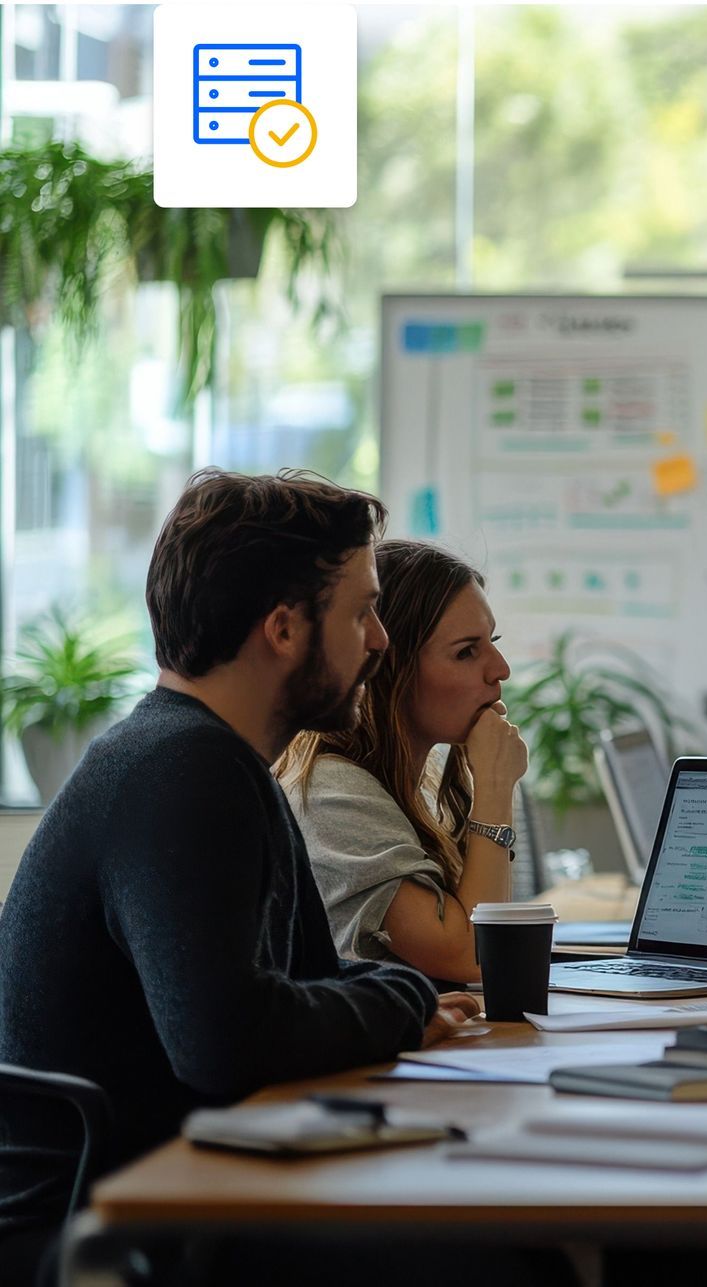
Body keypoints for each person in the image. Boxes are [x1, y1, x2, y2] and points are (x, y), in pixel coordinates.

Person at [0, 471, 474, 1284]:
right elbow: (227, 1039)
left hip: (176, 1185)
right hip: (106, 1232)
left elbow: (298, 982)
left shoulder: (195, 755)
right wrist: (408, 999)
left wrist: (392, 995)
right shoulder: (185, 770)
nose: (380, 641)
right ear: (284, 628)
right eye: (361, 612)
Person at [278, 540, 527, 986]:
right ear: (390, 670)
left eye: (493, 642)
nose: (500, 669)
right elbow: (471, 955)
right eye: (466, 651)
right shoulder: (334, 792)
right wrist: (494, 786)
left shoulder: (404, 783)